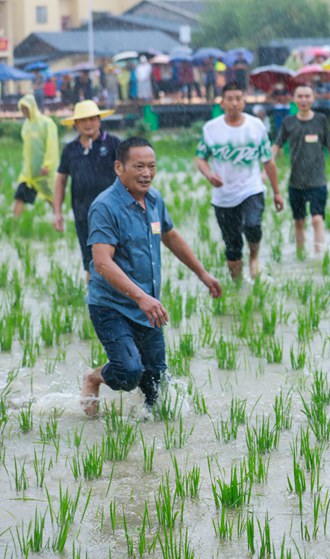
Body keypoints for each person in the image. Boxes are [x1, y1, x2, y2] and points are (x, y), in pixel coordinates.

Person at [81, 137, 222, 416]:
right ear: (119, 167)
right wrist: (141, 297)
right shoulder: (105, 207)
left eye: (152, 166)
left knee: (156, 389)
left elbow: (170, 236)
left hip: (147, 307)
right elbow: (102, 264)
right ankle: (94, 377)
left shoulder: (155, 199)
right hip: (112, 305)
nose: (147, 173)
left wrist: (202, 273)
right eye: (139, 166)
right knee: (129, 371)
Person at [196, 82, 284, 281]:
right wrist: (209, 174)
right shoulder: (211, 129)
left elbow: (268, 162)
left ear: (244, 102)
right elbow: (200, 158)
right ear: (222, 103)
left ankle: (254, 257)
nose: (234, 103)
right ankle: (238, 289)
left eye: (238, 99)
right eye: (230, 99)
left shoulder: (256, 126)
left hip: (251, 189)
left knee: (253, 225)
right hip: (223, 197)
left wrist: (277, 192)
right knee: (232, 246)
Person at [54, 100, 121, 275]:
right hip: (84, 214)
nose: (88, 124)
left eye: (92, 119)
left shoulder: (114, 144)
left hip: (113, 213)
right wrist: (57, 212)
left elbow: (128, 175)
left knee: (118, 259)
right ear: (75, 124)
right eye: (83, 120)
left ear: (99, 120)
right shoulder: (70, 149)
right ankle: (95, 299)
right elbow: (61, 180)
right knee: (91, 262)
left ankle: (121, 298)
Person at [272, 84, 330, 256]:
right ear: (294, 99)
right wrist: (266, 168)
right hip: (296, 182)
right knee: (299, 222)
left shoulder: (321, 120)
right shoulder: (289, 122)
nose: (303, 100)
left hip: (317, 181)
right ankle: (300, 255)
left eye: (307, 96)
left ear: (313, 98)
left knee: (317, 219)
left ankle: (318, 256)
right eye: (300, 96)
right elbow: (277, 146)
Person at [14, 94, 58, 217]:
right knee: (19, 197)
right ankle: (14, 225)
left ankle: (59, 219)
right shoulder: (26, 125)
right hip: (28, 174)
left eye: (26, 108)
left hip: (43, 173)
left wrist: (47, 165)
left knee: (51, 198)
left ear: (32, 107)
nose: (24, 112)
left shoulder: (46, 123)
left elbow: (52, 145)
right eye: (22, 109)